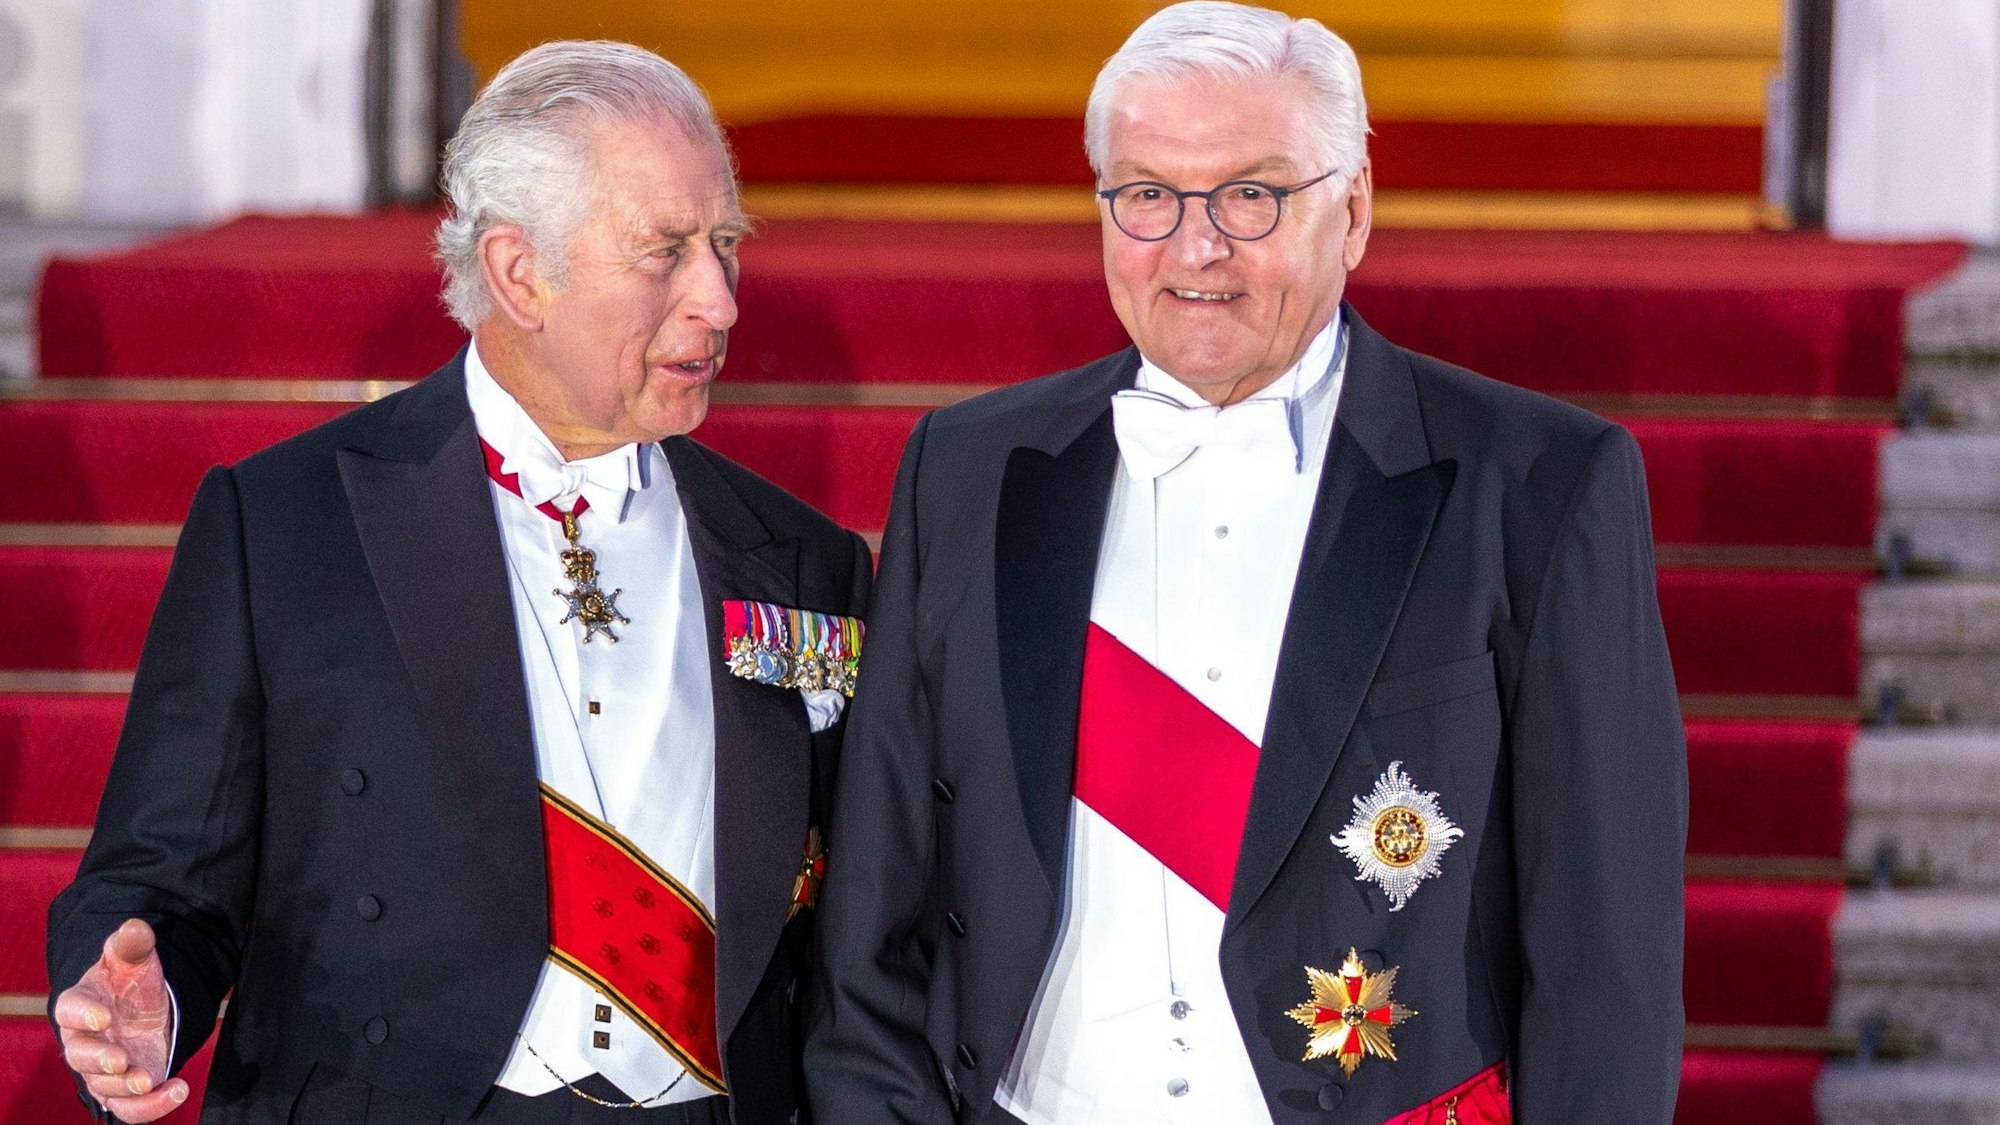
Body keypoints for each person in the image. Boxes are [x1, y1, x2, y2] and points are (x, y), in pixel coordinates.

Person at [805, 3, 1686, 1122]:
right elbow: (873, 913)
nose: (1193, 247)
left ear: (1353, 209)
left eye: (1251, 195)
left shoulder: (1538, 486)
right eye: (1146, 196)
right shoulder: (967, 471)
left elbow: (1604, 960)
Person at [47, 41, 870, 1125]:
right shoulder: (289, 523)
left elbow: (854, 929)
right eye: (664, 252)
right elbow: (161, 874)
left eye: (724, 243)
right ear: (518, 273)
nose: (717, 300)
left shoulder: (803, 557)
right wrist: (145, 997)